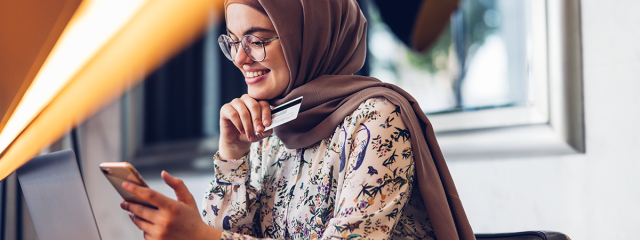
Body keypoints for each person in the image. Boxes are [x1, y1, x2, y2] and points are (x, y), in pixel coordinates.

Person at [120, 0, 475, 239]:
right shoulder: (269, 127)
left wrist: (202, 236)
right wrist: (232, 156)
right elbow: (228, 231)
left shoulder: (376, 119)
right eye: (233, 42)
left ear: (311, 35)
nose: (241, 59)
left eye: (256, 40)